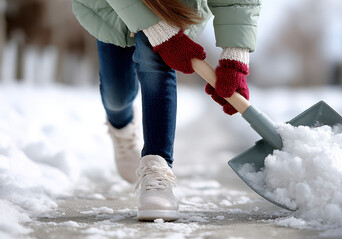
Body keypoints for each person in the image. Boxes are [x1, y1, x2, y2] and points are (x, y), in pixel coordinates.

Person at [72, 0, 260, 221]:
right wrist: (160, 31)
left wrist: (235, 56)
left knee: (156, 59)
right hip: (111, 11)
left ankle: (157, 169)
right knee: (117, 94)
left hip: (174, 5)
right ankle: (121, 127)